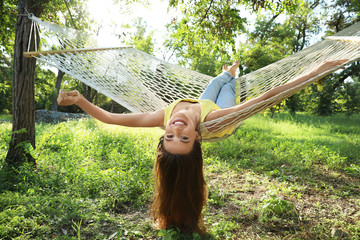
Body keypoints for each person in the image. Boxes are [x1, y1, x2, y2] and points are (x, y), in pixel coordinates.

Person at [57, 59, 347, 234]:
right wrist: (319, 69)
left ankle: (227, 70)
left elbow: (112, 118)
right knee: (229, 88)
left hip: (198, 103)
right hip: (215, 114)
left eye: (170, 136)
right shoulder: (215, 123)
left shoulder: (167, 118)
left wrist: (79, 100)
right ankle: (232, 75)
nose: (177, 130)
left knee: (217, 80)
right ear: (196, 138)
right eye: (183, 138)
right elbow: (267, 97)